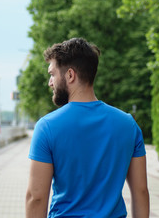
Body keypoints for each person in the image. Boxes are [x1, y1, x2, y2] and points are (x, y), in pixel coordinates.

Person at [26, 38, 149, 218]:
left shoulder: (47, 127)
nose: (50, 83)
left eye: (52, 74)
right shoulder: (128, 124)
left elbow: (36, 197)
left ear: (70, 75)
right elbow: (141, 192)